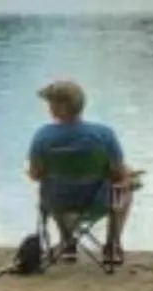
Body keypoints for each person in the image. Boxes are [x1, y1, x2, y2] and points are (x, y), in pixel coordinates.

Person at [27, 80, 138, 263]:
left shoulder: (42, 136)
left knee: (51, 185)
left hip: (58, 202)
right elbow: (118, 174)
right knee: (126, 185)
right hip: (97, 202)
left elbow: (35, 175)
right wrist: (128, 178)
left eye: (51, 103)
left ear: (60, 107)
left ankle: (68, 242)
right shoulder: (104, 135)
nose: (49, 107)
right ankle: (113, 245)